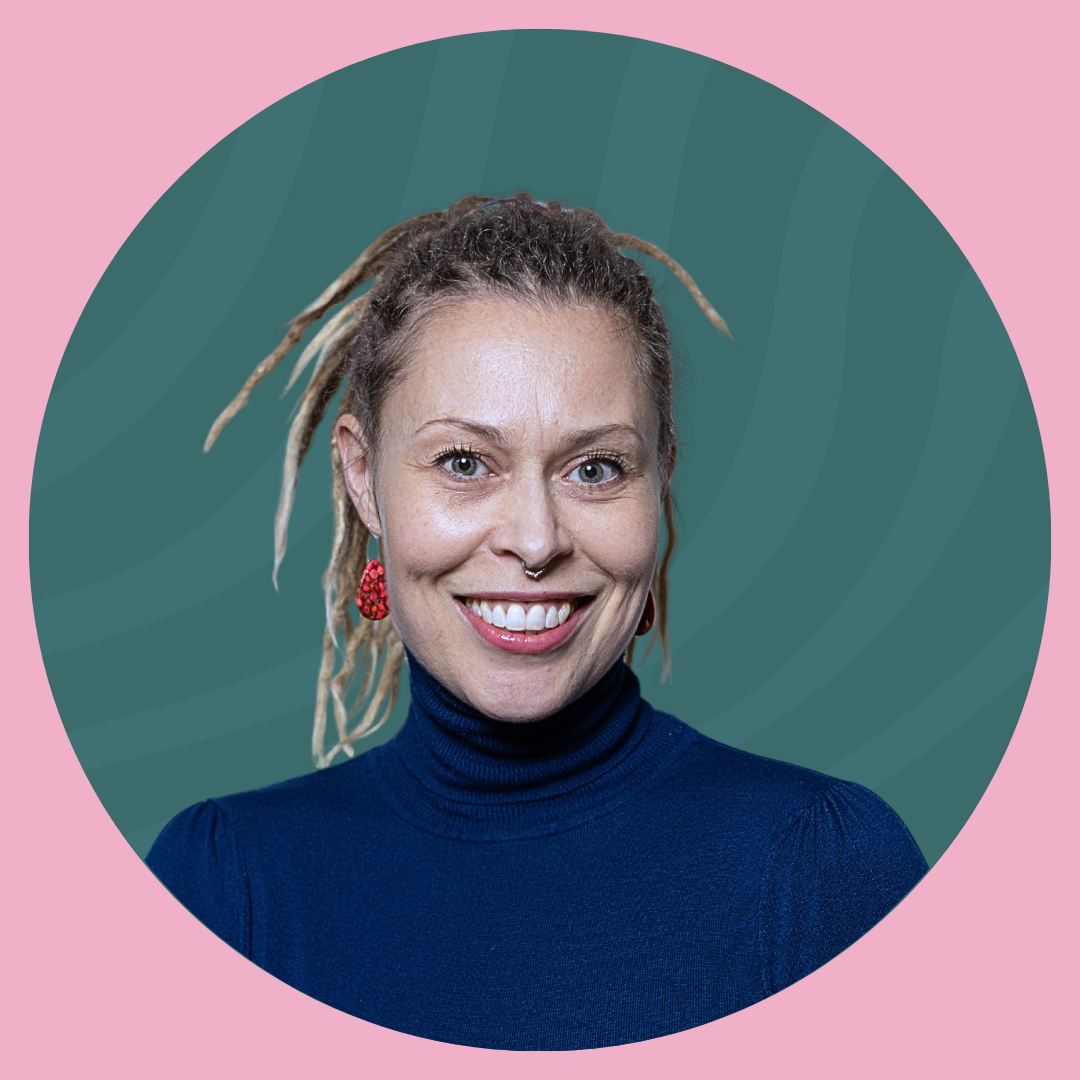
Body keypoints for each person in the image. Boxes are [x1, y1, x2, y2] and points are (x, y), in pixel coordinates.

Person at [147, 195, 927, 1050]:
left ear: (660, 476)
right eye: (463, 462)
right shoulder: (227, 890)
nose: (535, 540)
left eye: (595, 468)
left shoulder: (821, 875)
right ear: (364, 478)